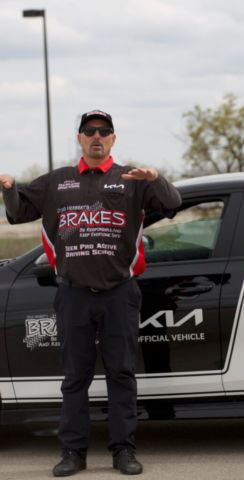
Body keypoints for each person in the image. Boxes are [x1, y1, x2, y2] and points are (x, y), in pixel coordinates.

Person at [0, 109, 182, 476]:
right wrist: (8, 188)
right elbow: (18, 214)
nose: (96, 136)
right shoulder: (57, 181)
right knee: (75, 378)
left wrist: (157, 178)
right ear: (79, 138)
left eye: (104, 131)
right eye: (89, 131)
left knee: (121, 374)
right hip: (73, 294)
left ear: (113, 139)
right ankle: (73, 452)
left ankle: (123, 451)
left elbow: (173, 204)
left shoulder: (132, 179)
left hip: (120, 292)